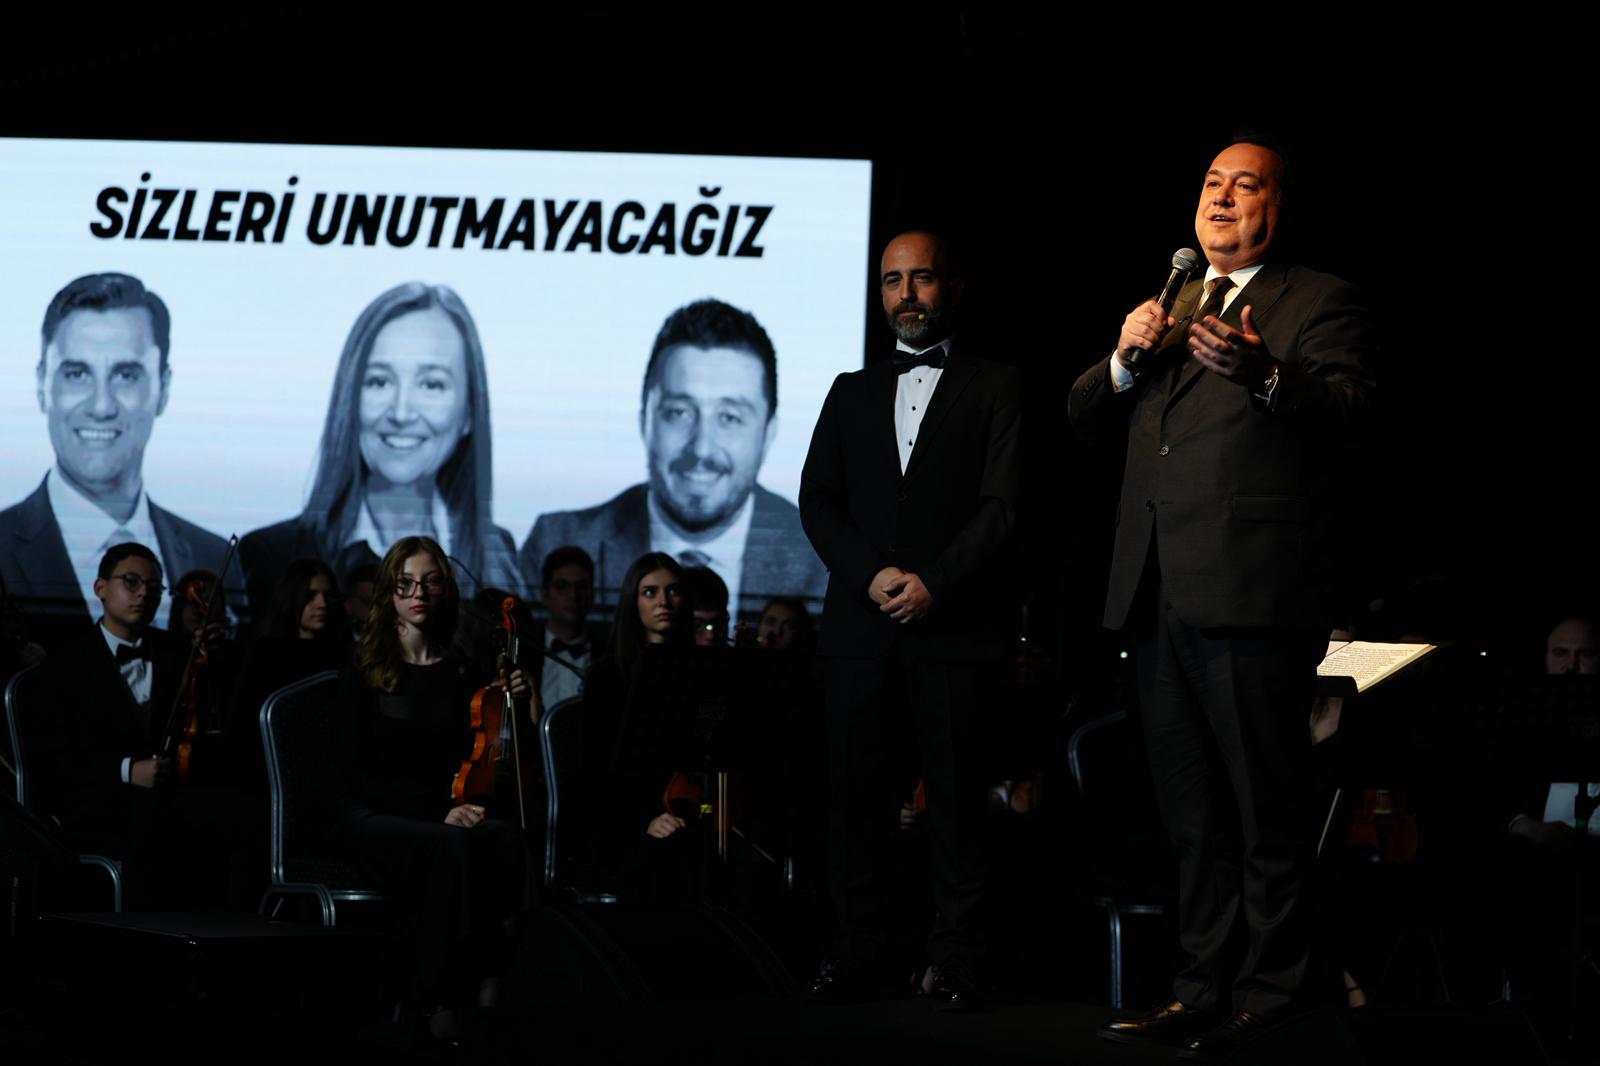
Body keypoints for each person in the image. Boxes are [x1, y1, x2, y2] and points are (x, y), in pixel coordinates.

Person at [1070, 138, 1378, 1059]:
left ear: (1279, 206)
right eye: (1212, 183)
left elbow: (1352, 409)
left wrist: (1266, 375)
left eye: (1246, 185)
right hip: (1155, 592)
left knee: (1265, 812)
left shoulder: (1316, 299)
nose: (1223, 198)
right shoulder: (1170, 302)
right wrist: (1123, 360)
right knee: (1192, 819)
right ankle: (1198, 988)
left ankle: (1274, 991)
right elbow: (1081, 412)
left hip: (1251, 593)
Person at [798, 230, 1021, 1008]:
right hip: (859, 634)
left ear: (951, 288)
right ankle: (854, 955)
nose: (906, 294)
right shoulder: (848, 389)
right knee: (853, 805)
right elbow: (817, 501)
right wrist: (873, 576)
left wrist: (936, 585)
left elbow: (1003, 508)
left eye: (921, 278)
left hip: (955, 632)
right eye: (892, 281)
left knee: (957, 811)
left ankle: (957, 961)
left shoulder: (996, 385)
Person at [333, 536, 535, 1030]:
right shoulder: (362, 667)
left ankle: (493, 983)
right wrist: (439, 813)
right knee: (451, 845)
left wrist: (520, 707)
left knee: (506, 839)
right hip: (374, 813)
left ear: (446, 589)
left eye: (430, 581)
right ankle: (436, 998)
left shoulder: (463, 668)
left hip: (446, 808)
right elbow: (355, 775)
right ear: (389, 593)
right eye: (405, 583)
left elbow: (495, 756)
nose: (418, 593)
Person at [520, 298, 825, 622]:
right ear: (644, 420)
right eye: (679, 412)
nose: (702, 449)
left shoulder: (819, 559)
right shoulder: (557, 539)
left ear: (768, 433)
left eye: (730, 417)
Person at [240, 283, 522, 621]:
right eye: (379, 381)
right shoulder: (274, 552)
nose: (401, 413)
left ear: (469, 413)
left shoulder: (497, 553)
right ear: (349, 400)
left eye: (431, 384)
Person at [0, 273, 235, 638]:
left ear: (163, 388)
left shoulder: (215, 556)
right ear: (42, 384)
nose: (102, 406)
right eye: (77, 374)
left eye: (126, 375)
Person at [31, 542, 257, 909]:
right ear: (101, 588)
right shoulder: (66, 662)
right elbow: (54, 757)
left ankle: (237, 928)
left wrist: (215, 663)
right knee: (152, 820)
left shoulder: (180, 652)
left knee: (247, 817)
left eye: (153, 586)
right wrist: (127, 770)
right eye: (131, 582)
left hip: (170, 792)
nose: (143, 593)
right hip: (97, 797)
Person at [226, 558, 349, 793]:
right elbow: (243, 726)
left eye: (327, 595)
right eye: (310, 595)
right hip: (271, 779)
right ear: (292, 597)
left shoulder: (344, 655)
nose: (322, 603)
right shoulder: (266, 654)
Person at [532, 545, 604, 713]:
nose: (573, 595)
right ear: (545, 594)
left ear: (592, 593)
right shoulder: (525, 655)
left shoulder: (608, 656)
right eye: (562, 585)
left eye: (582, 586)